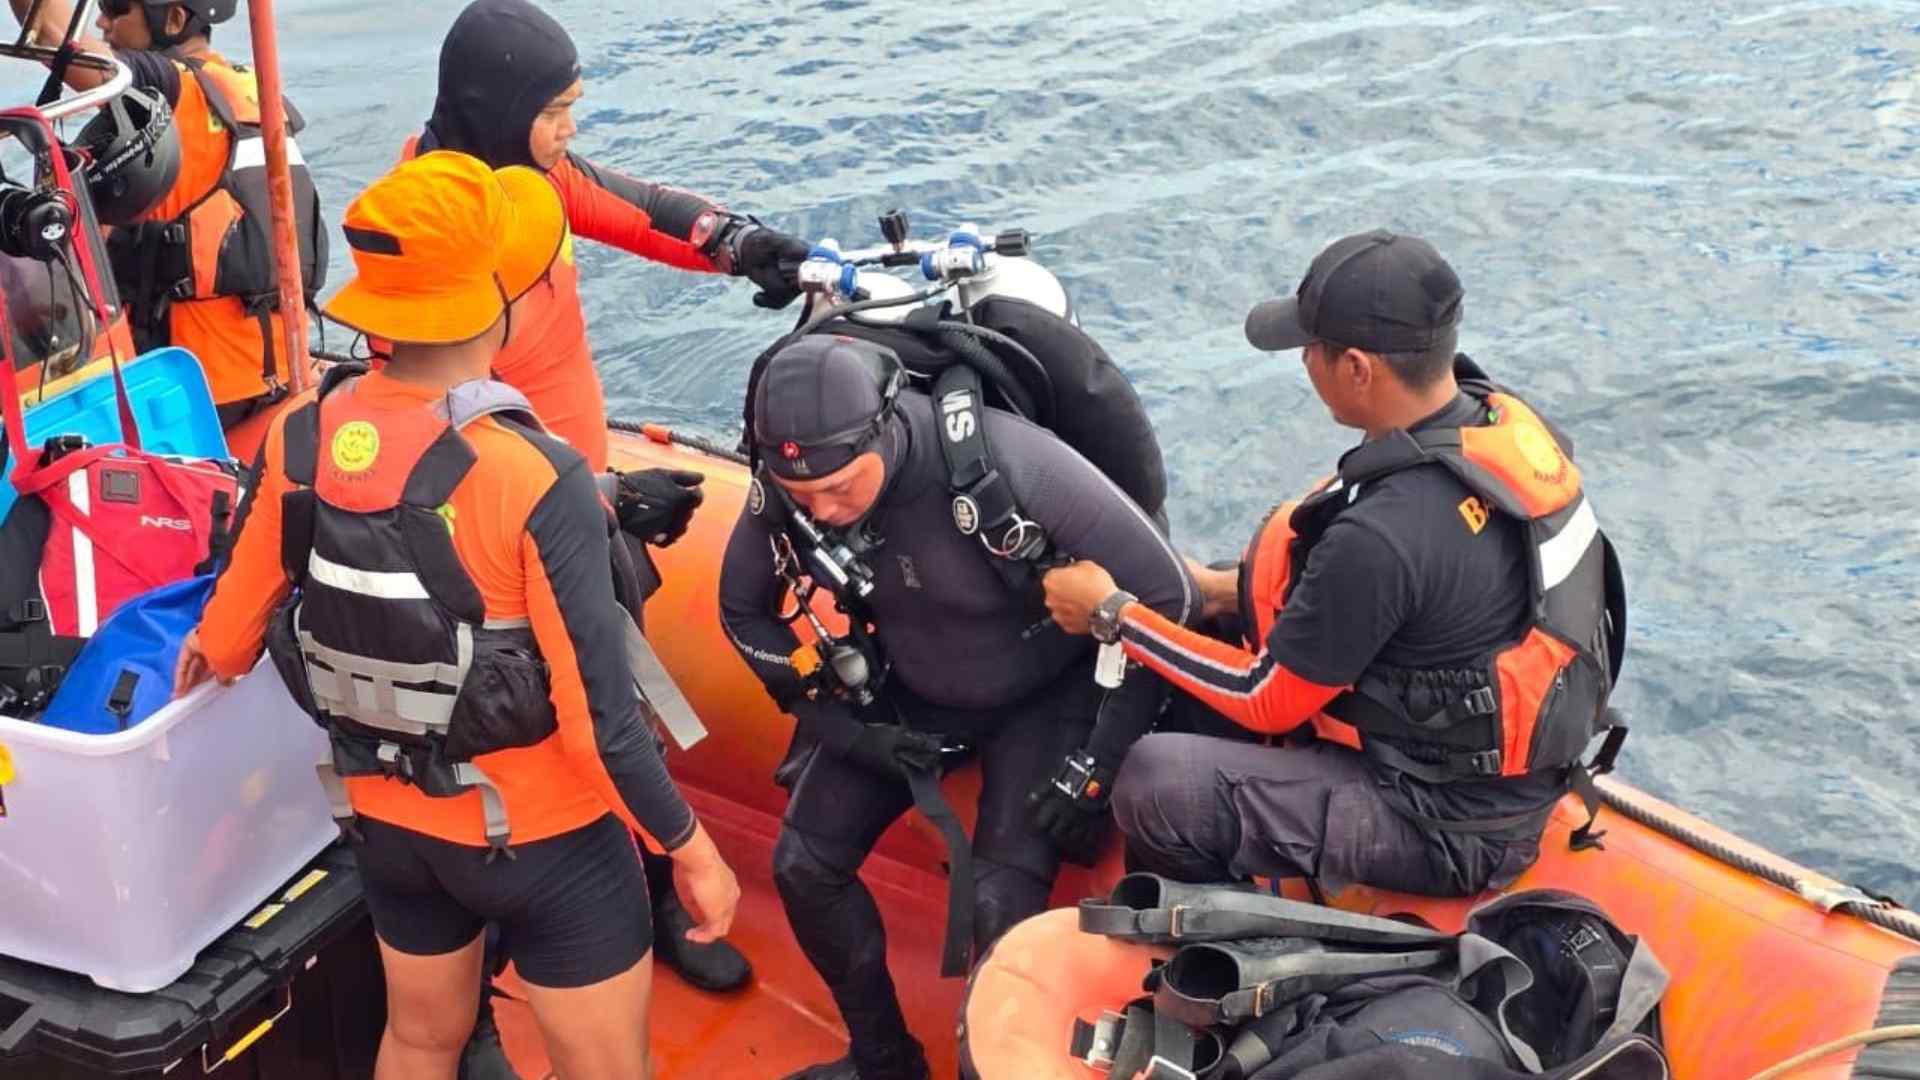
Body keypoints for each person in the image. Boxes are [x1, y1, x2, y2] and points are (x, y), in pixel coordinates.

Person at [173, 150, 740, 1080]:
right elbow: (602, 727)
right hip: (547, 841)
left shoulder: (301, 434)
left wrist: (202, 648)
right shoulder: (535, 473)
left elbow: (231, 642)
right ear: (495, 303)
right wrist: (692, 849)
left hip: (389, 827)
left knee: (419, 1039)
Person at [410, 0, 804, 1038]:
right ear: (501, 110)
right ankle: (491, 988)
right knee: (540, 727)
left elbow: (628, 204)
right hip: (510, 536)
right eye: (557, 111)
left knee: (621, 700)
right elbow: (439, 431)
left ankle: (653, 892)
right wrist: (605, 498)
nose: (570, 129)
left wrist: (738, 243)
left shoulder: (529, 176)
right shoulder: (438, 228)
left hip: (580, 503)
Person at [1043, 229, 1627, 900]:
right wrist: (1217, 590)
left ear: (1356, 368)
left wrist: (1113, 615)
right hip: (1483, 769)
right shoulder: (1492, 422)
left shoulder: (1385, 533)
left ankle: (1222, 941)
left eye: (1310, 348)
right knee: (1226, 617)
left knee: (1157, 783)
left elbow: (1264, 700)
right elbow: (1414, 593)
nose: (1303, 361)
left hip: (1447, 825)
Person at [720, 334, 1194, 1080]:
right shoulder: (791, 488)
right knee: (803, 865)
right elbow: (742, 611)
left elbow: (1170, 595)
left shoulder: (1003, 461)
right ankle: (884, 1061)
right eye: (803, 496)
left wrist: (1098, 764)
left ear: (884, 429)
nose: (825, 511)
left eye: (840, 487)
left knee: (1001, 915)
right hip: (912, 687)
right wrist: (844, 728)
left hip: (1043, 696)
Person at [8, 0, 327, 428]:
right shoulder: (249, 90)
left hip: (193, 394)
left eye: (117, 8)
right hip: (275, 370)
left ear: (174, 19)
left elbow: (50, 31)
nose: (102, 21)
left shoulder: (167, 91)